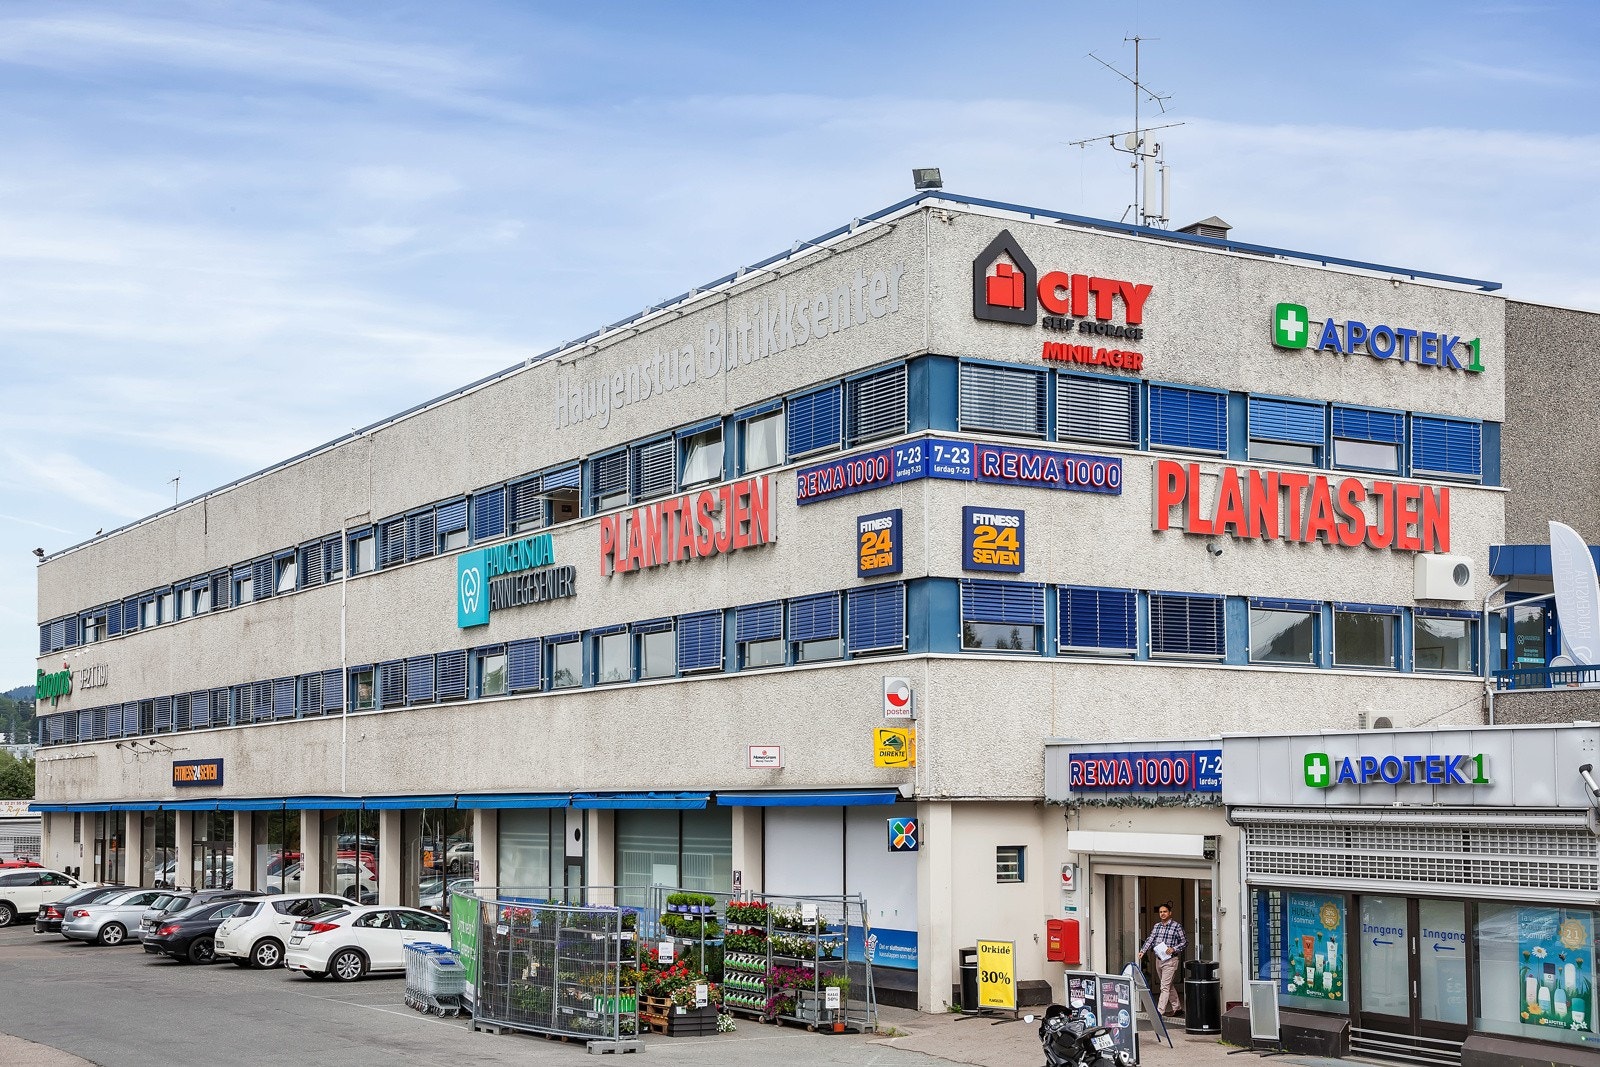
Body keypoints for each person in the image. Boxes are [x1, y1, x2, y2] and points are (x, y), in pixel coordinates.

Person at [1137, 902, 1187, 1017]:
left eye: (1165, 911)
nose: (1162, 914)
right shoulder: (1157, 926)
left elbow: (1184, 942)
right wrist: (1142, 951)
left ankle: (1159, 1012)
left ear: (1170, 913)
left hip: (1170, 960)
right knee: (1168, 985)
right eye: (1160, 912)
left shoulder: (1176, 926)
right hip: (1159, 960)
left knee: (1164, 986)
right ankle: (1177, 1008)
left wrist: (1173, 948)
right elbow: (1150, 939)